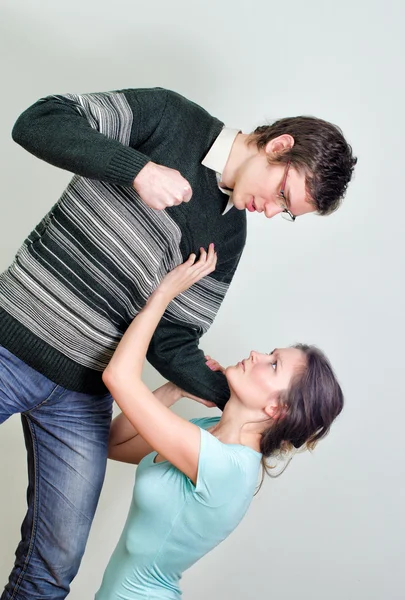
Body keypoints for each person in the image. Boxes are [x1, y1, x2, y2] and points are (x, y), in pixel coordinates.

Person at [0, 87, 356, 599]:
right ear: (279, 146)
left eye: (288, 212)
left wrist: (239, 400)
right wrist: (137, 170)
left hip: (83, 399)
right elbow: (37, 120)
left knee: (52, 569)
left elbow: (170, 339)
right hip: (13, 340)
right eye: (282, 194)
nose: (273, 212)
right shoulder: (170, 117)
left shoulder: (229, 236)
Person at [94, 245, 344, 599]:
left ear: (278, 410)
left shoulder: (228, 467)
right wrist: (174, 389)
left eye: (273, 365)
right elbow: (111, 444)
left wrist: (164, 292)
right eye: (271, 352)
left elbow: (119, 376)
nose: (258, 354)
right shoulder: (210, 429)